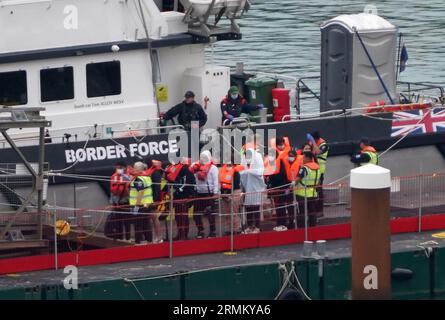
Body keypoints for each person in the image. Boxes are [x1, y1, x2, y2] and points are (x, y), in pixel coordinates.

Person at [165, 158, 196, 241]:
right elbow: (191, 183)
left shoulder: (177, 169)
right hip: (183, 196)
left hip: (179, 196)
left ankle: (182, 234)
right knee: (182, 217)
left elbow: (168, 178)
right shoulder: (187, 171)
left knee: (180, 217)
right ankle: (182, 234)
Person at [266, 137, 292, 231]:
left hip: (284, 184)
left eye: (282, 144)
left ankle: (283, 224)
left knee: (283, 205)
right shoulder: (275, 156)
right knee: (280, 205)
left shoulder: (285, 154)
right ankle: (281, 223)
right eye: (280, 144)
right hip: (279, 185)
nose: (282, 146)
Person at [192, 150, 220, 239]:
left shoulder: (213, 168)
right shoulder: (197, 167)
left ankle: (213, 232)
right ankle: (201, 230)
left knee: (210, 213)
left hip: (209, 193)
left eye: (205, 157)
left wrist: (216, 192)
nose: (203, 158)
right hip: (199, 193)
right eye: (201, 157)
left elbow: (216, 181)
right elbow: (193, 175)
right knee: (196, 214)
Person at [240, 148, 266, 234]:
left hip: (256, 189)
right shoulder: (244, 162)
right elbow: (241, 172)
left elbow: (260, 172)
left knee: (256, 208)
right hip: (247, 189)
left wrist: (248, 171)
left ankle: (257, 227)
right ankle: (250, 226)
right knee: (248, 208)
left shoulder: (258, 160)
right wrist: (247, 172)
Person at [129, 161, 154, 244]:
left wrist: (137, 205)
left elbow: (141, 191)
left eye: (135, 167)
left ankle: (138, 242)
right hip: (148, 203)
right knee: (146, 223)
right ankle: (149, 240)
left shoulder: (138, 179)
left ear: (139, 169)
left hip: (140, 205)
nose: (133, 169)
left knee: (138, 224)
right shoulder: (146, 177)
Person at [106, 161, 132, 240]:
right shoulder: (113, 177)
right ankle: (119, 237)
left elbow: (131, 190)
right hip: (116, 203)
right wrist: (112, 203)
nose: (118, 169)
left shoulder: (129, 177)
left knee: (127, 222)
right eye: (117, 168)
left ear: (125, 168)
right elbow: (112, 192)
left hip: (126, 203)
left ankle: (128, 238)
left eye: (120, 168)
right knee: (117, 221)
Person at [294, 151, 320, 228]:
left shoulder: (304, 168)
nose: (303, 159)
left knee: (301, 213)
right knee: (312, 212)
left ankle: (301, 230)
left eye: (304, 157)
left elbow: (297, 180)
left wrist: (291, 186)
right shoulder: (317, 167)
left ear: (308, 158)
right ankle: (313, 228)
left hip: (302, 194)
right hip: (313, 194)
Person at [307, 131, 329, 216]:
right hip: (312, 170)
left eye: (313, 139)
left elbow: (318, 152)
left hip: (320, 171)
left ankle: (320, 211)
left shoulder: (324, 145)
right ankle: (313, 210)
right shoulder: (313, 143)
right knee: (312, 190)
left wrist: (312, 142)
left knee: (318, 190)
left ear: (316, 138)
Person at [144, 157, 165, 244]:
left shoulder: (155, 172)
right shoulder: (150, 171)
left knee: (154, 218)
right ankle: (154, 237)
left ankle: (159, 237)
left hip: (153, 198)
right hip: (148, 198)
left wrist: (156, 200)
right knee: (150, 218)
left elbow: (157, 187)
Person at [219, 163, 244, 235]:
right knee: (227, 213)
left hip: (234, 192)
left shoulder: (236, 172)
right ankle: (229, 229)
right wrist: (224, 193)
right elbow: (221, 183)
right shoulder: (222, 171)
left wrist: (228, 193)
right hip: (225, 193)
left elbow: (236, 184)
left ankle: (236, 229)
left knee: (234, 211)